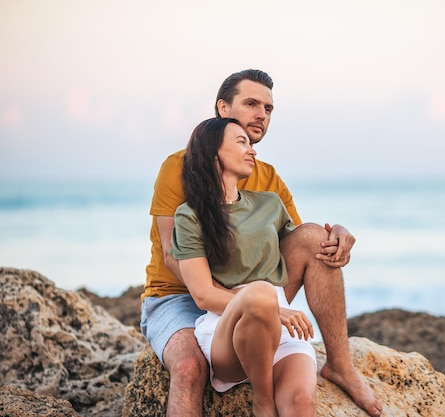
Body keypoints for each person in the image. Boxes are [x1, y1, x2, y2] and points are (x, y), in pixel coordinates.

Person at [140, 69, 382, 417]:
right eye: (251, 103)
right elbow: (172, 254)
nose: (261, 115)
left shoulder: (267, 178)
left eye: (268, 108)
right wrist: (256, 303)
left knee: (317, 241)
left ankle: (340, 365)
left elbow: (297, 244)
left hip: (254, 296)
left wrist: (335, 236)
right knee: (190, 367)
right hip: (179, 294)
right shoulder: (178, 167)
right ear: (222, 108)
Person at [172, 117, 317, 416]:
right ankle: (263, 402)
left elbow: (302, 246)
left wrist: (334, 234)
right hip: (229, 330)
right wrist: (269, 307)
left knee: (302, 402)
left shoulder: (270, 204)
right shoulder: (190, 216)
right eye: (241, 142)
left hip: (280, 329)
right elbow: (202, 295)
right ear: (214, 154)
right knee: (262, 293)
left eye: (250, 144)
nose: (252, 151)